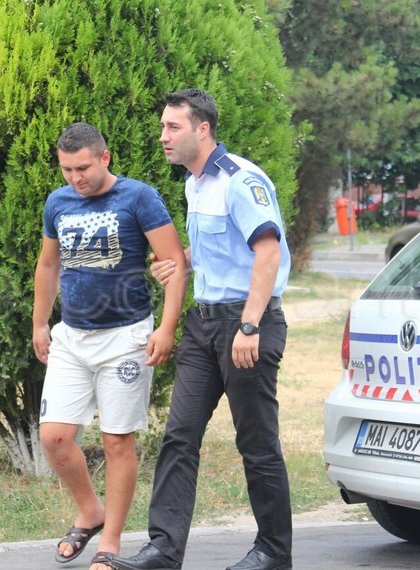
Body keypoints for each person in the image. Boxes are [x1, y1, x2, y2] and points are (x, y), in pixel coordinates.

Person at [113, 89, 292, 570]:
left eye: (173, 127)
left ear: (203, 129)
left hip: (245, 322)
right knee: (179, 435)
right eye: (163, 126)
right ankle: (163, 550)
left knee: (256, 443)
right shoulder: (195, 183)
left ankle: (274, 552)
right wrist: (183, 263)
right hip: (204, 323)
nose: (163, 136)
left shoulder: (240, 180)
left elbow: (268, 253)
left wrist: (250, 325)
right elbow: (224, 250)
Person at [32, 122, 187, 570]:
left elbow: (174, 263)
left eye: (83, 168)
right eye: (66, 170)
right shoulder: (58, 202)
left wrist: (167, 327)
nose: (75, 178)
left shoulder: (139, 197)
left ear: (105, 157)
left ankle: (111, 543)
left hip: (126, 337)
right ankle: (90, 511)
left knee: (117, 441)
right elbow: (48, 265)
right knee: (54, 436)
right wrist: (40, 323)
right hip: (72, 336)